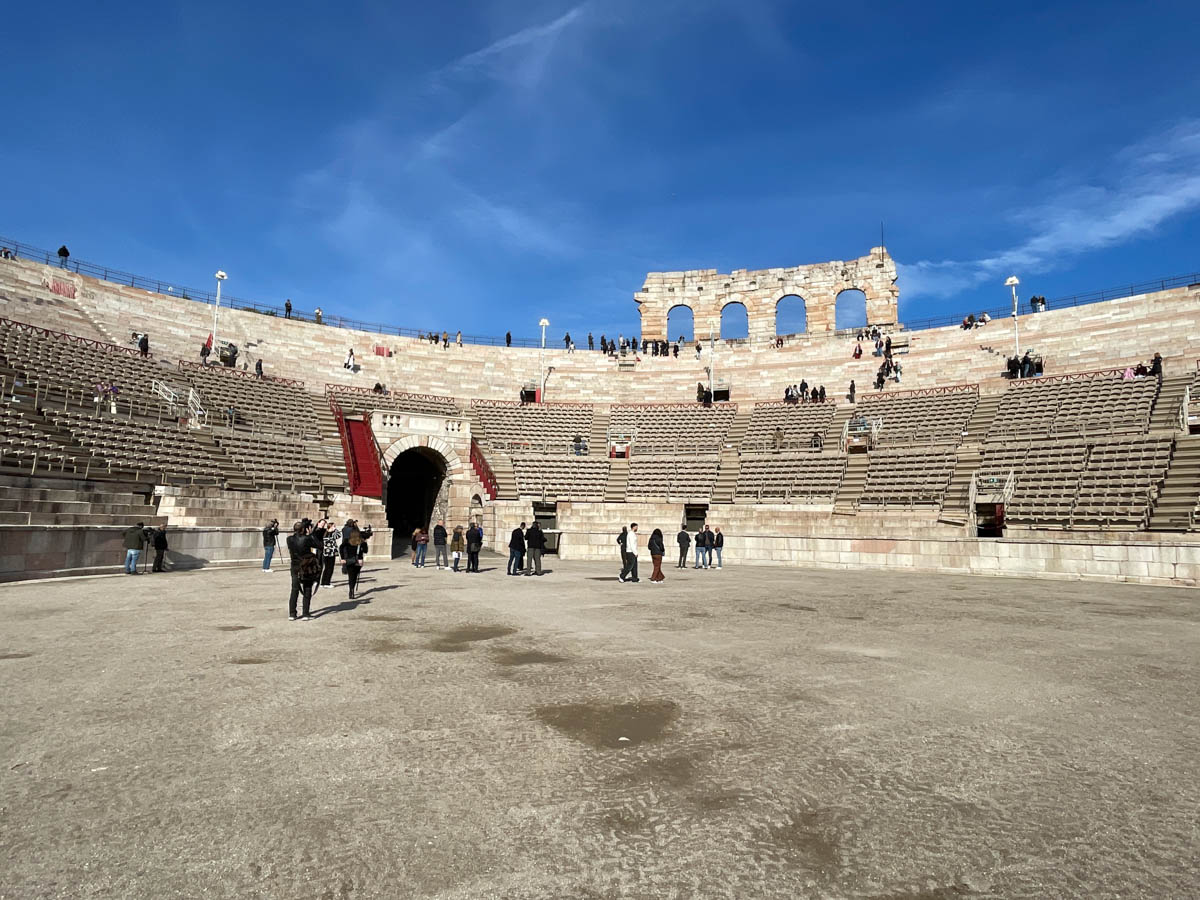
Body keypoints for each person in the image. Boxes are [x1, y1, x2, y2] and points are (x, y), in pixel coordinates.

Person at [287, 520, 320, 621]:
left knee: (294, 589)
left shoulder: (289, 539)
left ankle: (292, 613)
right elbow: (319, 545)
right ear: (303, 529)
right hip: (306, 565)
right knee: (307, 588)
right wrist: (311, 535)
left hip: (295, 565)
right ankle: (305, 613)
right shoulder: (307, 538)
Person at [340, 526, 369, 600]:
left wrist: (343, 557)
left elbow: (341, 548)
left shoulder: (347, 541)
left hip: (349, 560)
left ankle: (351, 590)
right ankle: (352, 589)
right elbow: (365, 551)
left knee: (350, 576)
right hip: (358, 560)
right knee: (355, 576)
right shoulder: (361, 542)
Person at [317, 519, 339, 589]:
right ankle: (326, 582)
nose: (334, 528)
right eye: (333, 526)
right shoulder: (327, 534)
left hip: (329, 553)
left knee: (328, 568)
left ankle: (324, 582)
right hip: (328, 553)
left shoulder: (329, 533)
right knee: (328, 568)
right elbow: (338, 536)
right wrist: (334, 530)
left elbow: (338, 535)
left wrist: (334, 530)